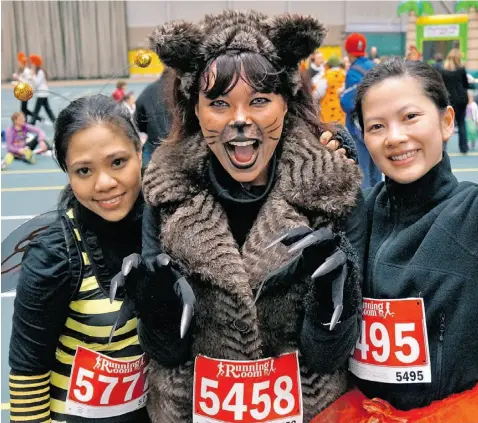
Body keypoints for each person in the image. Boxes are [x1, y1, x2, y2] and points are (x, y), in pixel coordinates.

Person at [111, 10, 366, 423]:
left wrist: (333, 299)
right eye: (219, 103)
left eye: (260, 100)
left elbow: (328, 358)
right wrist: (158, 310)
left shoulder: (333, 191)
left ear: (287, 103)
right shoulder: (165, 190)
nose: (240, 119)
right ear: (196, 110)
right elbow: (167, 354)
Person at [314, 57, 478, 423]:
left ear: (447, 122)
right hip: (356, 411)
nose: (395, 137)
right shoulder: (354, 212)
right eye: (377, 126)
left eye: (410, 117)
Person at [8, 95, 151, 423]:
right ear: (67, 172)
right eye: (84, 170)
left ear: (139, 153)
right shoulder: (54, 256)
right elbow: (28, 374)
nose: (104, 183)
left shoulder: (168, 229)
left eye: (118, 162)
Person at [340, 33, 380, 189]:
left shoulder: (353, 71)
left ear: (348, 52)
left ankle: (366, 205)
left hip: (358, 127)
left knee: (361, 168)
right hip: (377, 122)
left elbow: (348, 102)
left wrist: (341, 95)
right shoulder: (374, 67)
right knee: (376, 167)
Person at [134, 69, 172, 168]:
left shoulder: (148, 91)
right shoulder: (186, 90)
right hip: (182, 149)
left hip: (153, 149)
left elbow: (138, 123)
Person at [440, 48, 470, 154]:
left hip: (449, 99)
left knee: (446, 123)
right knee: (462, 123)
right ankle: (464, 147)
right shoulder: (461, 70)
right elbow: (466, 85)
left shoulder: (444, 71)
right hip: (462, 99)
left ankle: (443, 148)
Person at [28, 54, 56, 125]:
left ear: (35, 64)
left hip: (42, 94)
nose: (32, 65)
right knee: (47, 109)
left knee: (37, 110)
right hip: (42, 94)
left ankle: (32, 123)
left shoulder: (40, 72)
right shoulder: (39, 72)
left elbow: (37, 82)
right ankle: (55, 121)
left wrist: (32, 75)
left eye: (33, 64)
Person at [319, 55, 346, 125]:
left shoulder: (326, 75)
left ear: (329, 65)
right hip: (342, 110)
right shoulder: (345, 74)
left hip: (328, 111)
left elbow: (318, 93)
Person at [12, 52, 35, 120]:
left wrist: (18, 78)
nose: (18, 64)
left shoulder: (26, 71)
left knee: (23, 109)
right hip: (23, 91)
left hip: (27, 92)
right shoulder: (22, 71)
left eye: (19, 63)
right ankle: (36, 118)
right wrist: (16, 82)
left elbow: (26, 82)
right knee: (24, 109)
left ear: (23, 63)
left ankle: (27, 121)